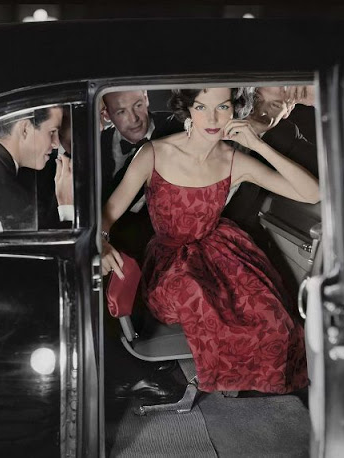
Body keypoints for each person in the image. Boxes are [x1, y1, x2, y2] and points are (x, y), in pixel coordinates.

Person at [101, 87, 319, 394]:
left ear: (235, 110)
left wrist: (259, 145)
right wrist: (101, 241)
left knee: (270, 316)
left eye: (223, 107)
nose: (213, 119)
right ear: (188, 109)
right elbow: (109, 213)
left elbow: (312, 193)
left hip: (220, 252)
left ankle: (255, 392)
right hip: (168, 262)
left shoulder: (235, 160)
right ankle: (219, 380)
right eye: (202, 107)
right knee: (196, 294)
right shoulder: (153, 153)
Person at [223, 85, 318, 287]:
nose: (262, 112)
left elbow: (324, 184)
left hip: (234, 243)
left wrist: (259, 146)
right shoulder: (208, 129)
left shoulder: (283, 136)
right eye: (256, 100)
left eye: (275, 105)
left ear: (288, 111)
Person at [100, 90, 183, 263]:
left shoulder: (178, 127)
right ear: (106, 114)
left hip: (167, 248)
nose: (134, 119)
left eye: (138, 105)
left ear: (146, 98)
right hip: (114, 252)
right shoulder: (96, 145)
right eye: (121, 112)